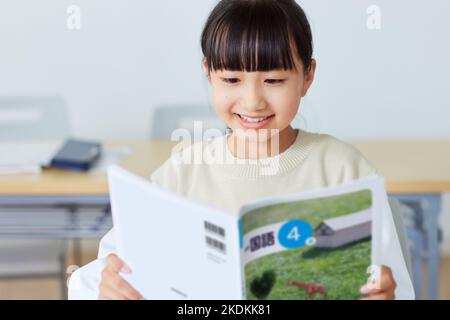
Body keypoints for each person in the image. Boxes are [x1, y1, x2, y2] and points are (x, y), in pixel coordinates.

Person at [69, 0, 414, 300]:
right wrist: (108, 286)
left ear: (307, 76)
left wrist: (382, 290)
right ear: (208, 73)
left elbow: (392, 284)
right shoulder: (180, 173)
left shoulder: (344, 170)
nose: (252, 101)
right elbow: (102, 275)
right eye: (231, 80)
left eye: (274, 80)